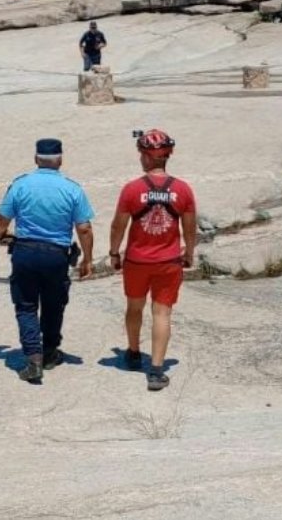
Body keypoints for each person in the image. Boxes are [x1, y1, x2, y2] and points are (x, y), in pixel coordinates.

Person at [0, 138, 95, 383]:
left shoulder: (20, 184)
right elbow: (84, 228)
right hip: (56, 255)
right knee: (54, 305)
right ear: (60, 160)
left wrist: (1, 234)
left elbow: (1, 216)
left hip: (25, 253)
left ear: (35, 159)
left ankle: (33, 359)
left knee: (26, 305)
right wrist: (88, 260)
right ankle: (50, 352)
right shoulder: (72, 189)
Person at [108, 129, 197, 392]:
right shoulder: (182, 190)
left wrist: (114, 252)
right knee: (162, 312)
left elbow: (118, 226)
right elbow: (190, 228)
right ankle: (157, 370)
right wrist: (189, 252)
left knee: (134, 307)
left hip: (137, 261)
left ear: (146, 157)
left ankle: (134, 352)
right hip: (169, 260)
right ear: (167, 156)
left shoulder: (132, 190)